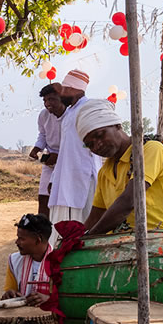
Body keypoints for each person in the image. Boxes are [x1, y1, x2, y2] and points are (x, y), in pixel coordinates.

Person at [76, 99, 163, 234]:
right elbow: (95, 216)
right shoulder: (104, 172)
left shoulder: (150, 149)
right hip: (118, 243)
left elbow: (129, 201)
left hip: (155, 240)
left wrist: (90, 236)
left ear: (117, 125)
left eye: (100, 135)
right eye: (90, 145)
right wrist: (74, 239)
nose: (97, 145)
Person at [48, 70, 101, 229]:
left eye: (64, 89)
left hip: (83, 177)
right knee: (62, 223)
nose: (61, 93)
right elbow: (65, 150)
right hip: (65, 176)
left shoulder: (87, 108)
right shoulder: (70, 112)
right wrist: (54, 178)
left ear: (73, 89)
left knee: (82, 221)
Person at [1, 214, 53, 308]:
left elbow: (67, 299)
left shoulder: (61, 262)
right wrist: (9, 294)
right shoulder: (14, 261)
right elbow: (10, 290)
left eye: (22, 239)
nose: (17, 242)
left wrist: (48, 299)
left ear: (38, 240)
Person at [30, 84, 65, 216]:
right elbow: (43, 135)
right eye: (45, 100)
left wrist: (59, 156)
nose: (47, 104)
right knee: (44, 197)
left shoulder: (71, 116)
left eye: (51, 99)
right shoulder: (43, 115)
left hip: (67, 162)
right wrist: (36, 149)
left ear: (61, 98)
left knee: (60, 199)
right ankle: (43, 232)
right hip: (49, 162)